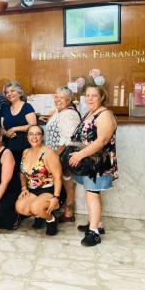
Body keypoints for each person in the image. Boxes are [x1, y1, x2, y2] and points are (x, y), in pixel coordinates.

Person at [69, 85, 118, 247]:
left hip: (98, 163)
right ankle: (97, 223)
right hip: (88, 163)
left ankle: (94, 232)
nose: (90, 99)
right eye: (87, 96)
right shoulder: (90, 113)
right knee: (92, 193)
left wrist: (79, 154)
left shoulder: (105, 114)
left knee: (92, 194)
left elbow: (102, 141)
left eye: (94, 96)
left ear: (101, 97)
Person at [15, 125, 62, 236]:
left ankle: (51, 219)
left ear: (42, 136)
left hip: (49, 190)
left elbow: (58, 177)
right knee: (20, 207)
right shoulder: (25, 152)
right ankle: (39, 215)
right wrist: (23, 187)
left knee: (35, 207)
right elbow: (22, 173)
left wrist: (56, 197)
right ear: (27, 136)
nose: (34, 137)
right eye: (31, 134)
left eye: (38, 134)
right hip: (32, 190)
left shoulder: (48, 153)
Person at [44, 86, 81, 223]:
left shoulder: (69, 114)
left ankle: (69, 214)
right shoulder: (61, 111)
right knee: (63, 183)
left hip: (62, 155)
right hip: (54, 155)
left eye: (61, 97)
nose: (57, 99)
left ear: (69, 99)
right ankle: (60, 211)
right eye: (56, 96)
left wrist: (55, 156)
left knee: (68, 183)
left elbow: (66, 139)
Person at [1, 81, 37, 168]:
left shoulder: (27, 107)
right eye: (7, 92)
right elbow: (2, 127)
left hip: (25, 148)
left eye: (12, 91)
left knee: (24, 173)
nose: (9, 94)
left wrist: (14, 129)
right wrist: (6, 132)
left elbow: (33, 125)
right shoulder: (5, 108)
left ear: (19, 92)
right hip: (9, 148)